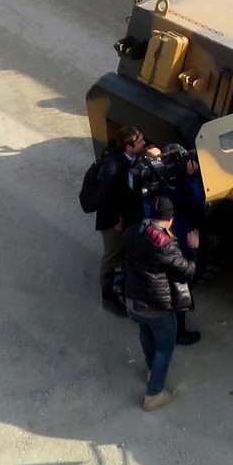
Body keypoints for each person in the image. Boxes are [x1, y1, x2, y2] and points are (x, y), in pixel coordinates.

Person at [123, 193, 196, 411]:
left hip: (132, 301)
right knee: (165, 347)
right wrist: (193, 248)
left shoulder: (132, 232)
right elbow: (187, 272)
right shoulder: (165, 245)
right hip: (156, 306)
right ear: (170, 220)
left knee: (145, 332)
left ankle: (150, 370)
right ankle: (154, 394)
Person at [89, 126, 146, 314]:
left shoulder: (129, 158)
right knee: (112, 257)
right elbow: (104, 198)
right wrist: (116, 220)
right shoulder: (113, 165)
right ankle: (108, 297)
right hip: (113, 221)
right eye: (140, 142)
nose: (144, 143)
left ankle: (123, 286)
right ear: (129, 147)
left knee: (124, 254)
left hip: (127, 217)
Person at [157, 144, 206, 346]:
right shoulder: (180, 197)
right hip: (180, 248)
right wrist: (192, 178)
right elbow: (197, 205)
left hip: (159, 246)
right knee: (180, 291)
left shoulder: (156, 187)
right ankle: (178, 332)